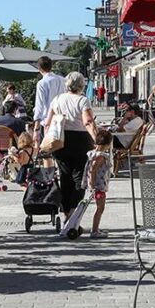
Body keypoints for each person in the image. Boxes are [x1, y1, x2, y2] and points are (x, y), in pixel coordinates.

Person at [38, 71, 98, 217]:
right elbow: (88, 122)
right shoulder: (82, 100)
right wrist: (97, 139)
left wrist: (47, 141)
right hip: (80, 140)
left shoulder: (57, 99)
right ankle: (74, 212)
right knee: (80, 177)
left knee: (65, 177)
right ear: (82, 85)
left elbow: (47, 123)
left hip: (61, 141)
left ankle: (66, 214)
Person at [84, 128, 113, 238]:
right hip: (98, 186)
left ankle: (96, 229)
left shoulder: (94, 153)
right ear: (107, 144)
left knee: (100, 207)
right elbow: (93, 169)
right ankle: (95, 230)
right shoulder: (100, 156)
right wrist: (92, 184)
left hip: (98, 185)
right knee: (100, 207)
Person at [32, 55, 65, 141]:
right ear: (51, 66)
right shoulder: (63, 80)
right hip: (63, 120)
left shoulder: (42, 83)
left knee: (49, 150)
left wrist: (36, 129)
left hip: (48, 122)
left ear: (39, 68)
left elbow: (39, 106)